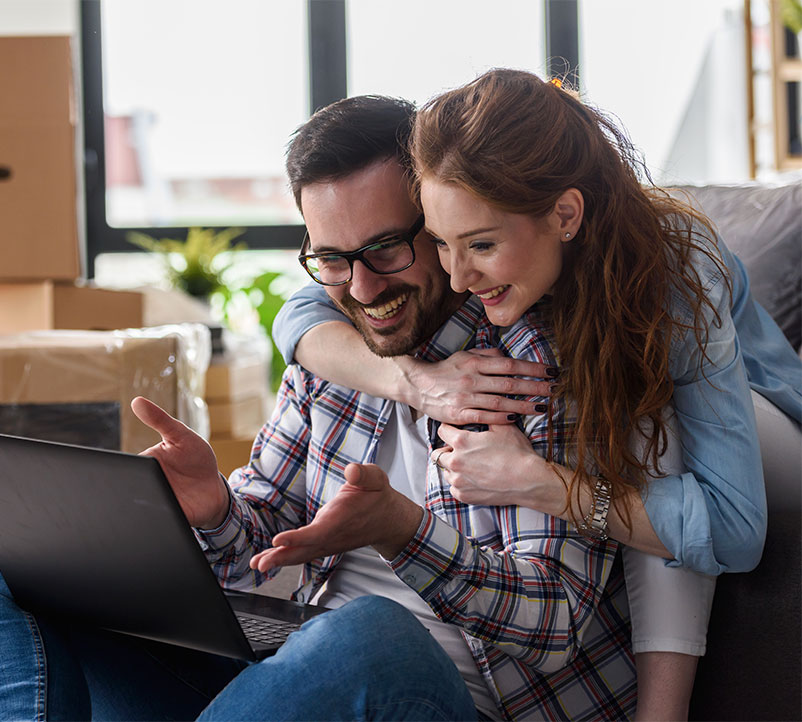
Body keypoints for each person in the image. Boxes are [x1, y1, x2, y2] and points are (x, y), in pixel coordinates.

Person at [0, 95, 636, 721]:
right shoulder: (332, 356)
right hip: (299, 676)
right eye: (333, 260)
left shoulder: (531, 365)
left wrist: (403, 532)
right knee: (26, 576)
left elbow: (555, 625)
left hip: (464, 696)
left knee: (369, 635)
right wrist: (214, 506)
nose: (362, 288)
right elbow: (257, 542)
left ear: (441, 225)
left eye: (386, 250)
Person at [269, 70, 800, 721]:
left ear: (566, 216)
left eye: (480, 246)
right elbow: (298, 315)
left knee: (645, 417)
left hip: (768, 418)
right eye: (439, 243)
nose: (457, 278)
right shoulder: (483, 205)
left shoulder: (673, 275)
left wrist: (543, 482)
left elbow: (731, 530)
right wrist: (419, 382)